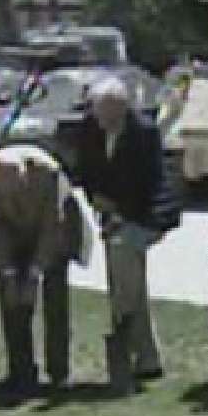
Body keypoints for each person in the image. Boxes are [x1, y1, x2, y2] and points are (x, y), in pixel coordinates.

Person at [75, 77, 180, 382]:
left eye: (111, 113)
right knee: (122, 282)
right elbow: (86, 170)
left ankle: (143, 354)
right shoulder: (90, 128)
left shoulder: (143, 133)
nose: (105, 119)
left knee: (126, 275)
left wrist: (122, 213)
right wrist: (97, 200)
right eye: (100, 112)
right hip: (111, 214)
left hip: (144, 214)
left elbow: (149, 184)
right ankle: (133, 352)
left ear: (124, 108)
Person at [0, 145, 86, 394]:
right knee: (11, 298)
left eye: (15, 187)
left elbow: (51, 226)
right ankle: (21, 370)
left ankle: (58, 371)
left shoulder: (48, 174)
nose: (9, 194)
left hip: (57, 229)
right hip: (15, 233)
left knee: (55, 297)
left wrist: (35, 272)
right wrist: (8, 272)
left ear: (24, 175)